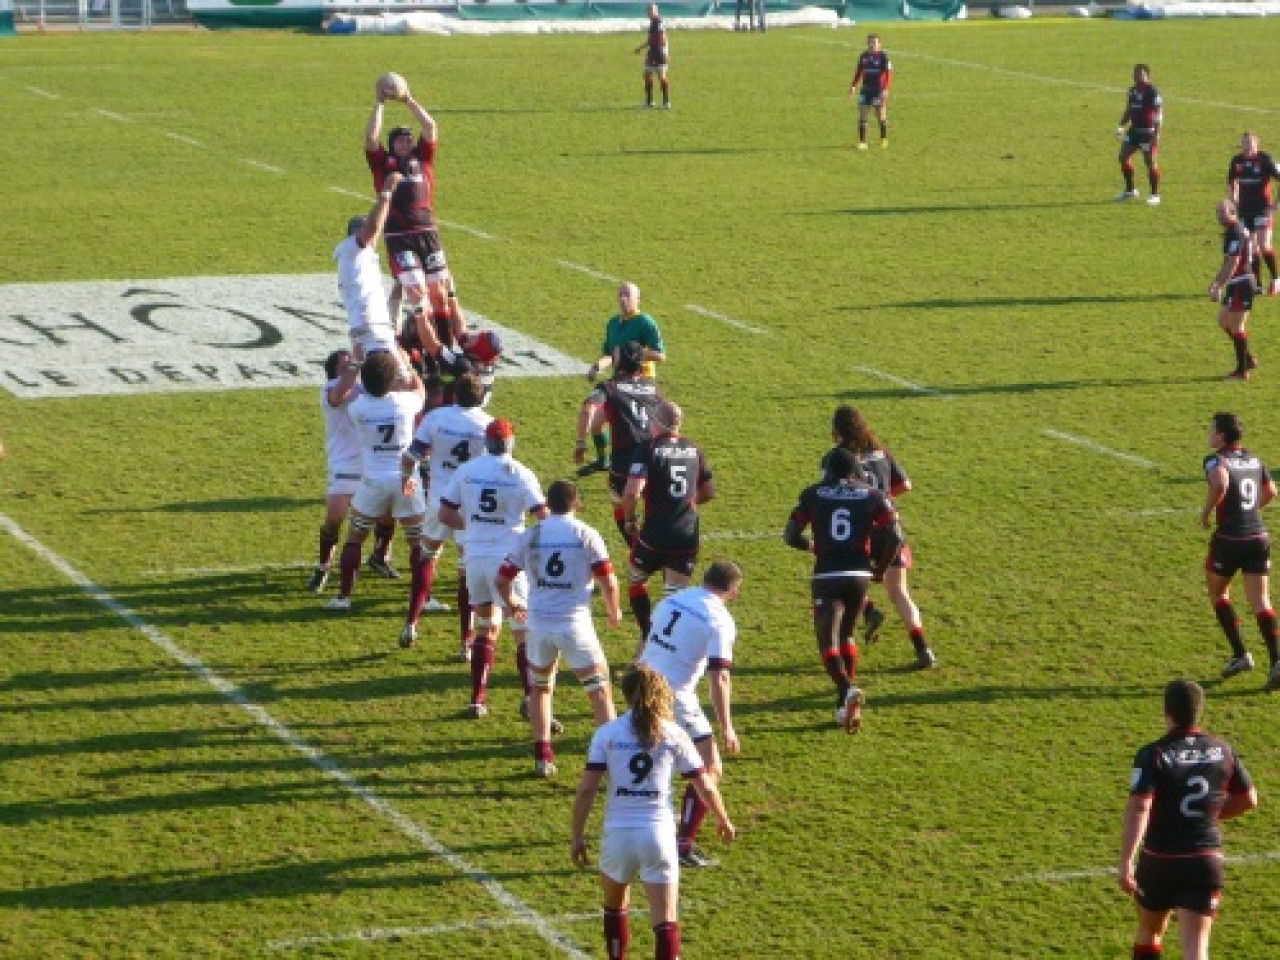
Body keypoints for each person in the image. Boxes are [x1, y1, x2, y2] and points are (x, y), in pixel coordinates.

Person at [572, 664, 735, 960]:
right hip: (658, 835)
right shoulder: (674, 734)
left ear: (626, 695)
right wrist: (723, 818)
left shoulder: (607, 734)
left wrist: (577, 836)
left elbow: (586, 790)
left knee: (614, 906)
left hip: (618, 835)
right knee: (665, 917)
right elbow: (706, 786)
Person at [1118, 679, 1257, 960]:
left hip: (1160, 858)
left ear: (1166, 711)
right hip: (1204, 858)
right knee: (1196, 948)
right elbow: (1248, 799)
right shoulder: (1222, 750)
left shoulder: (1153, 754)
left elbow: (1139, 807)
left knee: (1150, 932)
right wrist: (1208, 815)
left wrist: (1125, 861)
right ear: (1199, 711)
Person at [498, 479, 623, 776]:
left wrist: (512, 602)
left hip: (539, 625)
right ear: (576, 503)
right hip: (574, 624)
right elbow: (608, 579)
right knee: (599, 691)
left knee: (540, 690)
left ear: (547, 505)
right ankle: (614, 759)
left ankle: (543, 756)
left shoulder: (530, 535)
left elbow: (502, 578)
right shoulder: (586, 534)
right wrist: (613, 610)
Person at [784, 448, 903, 733]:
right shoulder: (873, 494)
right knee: (848, 634)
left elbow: (790, 535)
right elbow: (896, 536)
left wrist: (811, 546)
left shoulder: (814, 493)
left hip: (828, 574)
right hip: (860, 574)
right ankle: (842, 705)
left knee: (828, 641)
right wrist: (880, 568)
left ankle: (847, 689)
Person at [438, 418, 548, 718]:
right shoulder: (522, 473)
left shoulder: (467, 470)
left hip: (475, 559)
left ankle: (477, 699)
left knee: (485, 627)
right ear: (511, 443)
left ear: (487, 442)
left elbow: (445, 514)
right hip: (508, 562)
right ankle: (530, 698)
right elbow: (543, 516)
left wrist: (472, 526)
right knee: (522, 630)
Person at [636, 561, 741, 869]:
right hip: (674, 696)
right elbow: (719, 676)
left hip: (642, 684)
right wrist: (727, 728)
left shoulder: (673, 598)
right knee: (709, 766)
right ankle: (682, 845)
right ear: (733, 592)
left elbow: (649, 637)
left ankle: (643, 830)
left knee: (652, 762)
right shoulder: (720, 620)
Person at [826, 405, 936, 669]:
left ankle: (867, 612)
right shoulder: (881, 453)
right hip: (889, 529)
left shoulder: (838, 458)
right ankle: (924, 650)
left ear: (837, 430)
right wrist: (883, 500)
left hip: (859, 529)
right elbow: (905, 485)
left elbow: (829, 492)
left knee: (844, 582)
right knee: (899, 591)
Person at [322, 351, 425, 615]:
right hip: (407, 481)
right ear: (391, 380)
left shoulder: (359, 408)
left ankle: (344, 596)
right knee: (418, 544)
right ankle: (425, 598)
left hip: (373, 480)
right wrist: (408, 365)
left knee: (355, 538)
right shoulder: (405, 404)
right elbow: (419, 390)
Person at [400, 372, 492, 654]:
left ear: (454, 395)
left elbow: (410, 455)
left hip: (440, 499)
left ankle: (412, 622)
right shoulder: (487, 425)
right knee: (466, 572)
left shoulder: (437, 418)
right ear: (482, 397)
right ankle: (466, 641)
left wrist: (406, 478)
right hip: (470, 506)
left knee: (427, 556)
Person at [364, 75, 462, 340]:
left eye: (408, 140)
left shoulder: (423, 159)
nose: (406, 143)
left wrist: (408, 99)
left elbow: (430, 126)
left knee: (439, 292)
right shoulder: (383, 164)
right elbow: (371, 138)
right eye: (400, 141)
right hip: (399, 237)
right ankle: (429, 354)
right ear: (393, 145)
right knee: (417, 292)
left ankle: (446, 346)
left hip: (427, 233)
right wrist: (379, 103)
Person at [621, 400, 715, 654]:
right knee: (674, 598)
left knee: (636, 580)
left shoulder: (647, 449)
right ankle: (667, 649)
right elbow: (709, 491)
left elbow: (631, 493)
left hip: (655, 533)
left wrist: (630, 519)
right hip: (686, 533)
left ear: (656, 423)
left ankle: (646, 635)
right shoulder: (694, 449)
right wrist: (686, 503)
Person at [1200, 412, 1280, 691]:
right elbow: (1271, 491)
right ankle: (1277, 661)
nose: (1210, 435)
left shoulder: (1215, 459)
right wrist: (1249, 510)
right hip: (1258, 536)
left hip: (1229, 539)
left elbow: (1220, 483)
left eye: (1212, 430)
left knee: (1218, 591)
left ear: (1221, 436)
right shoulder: (1255, 459)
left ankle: (1240, 654)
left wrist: (1207, 510)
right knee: (1261, 600)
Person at [308, 348, 397, 594]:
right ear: (336, 369)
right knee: (335, 516)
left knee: (388, 513)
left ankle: (380, 554)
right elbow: (338, 397)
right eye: (346, 363)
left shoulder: (366, 388)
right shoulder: (330, 389)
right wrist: (356, 367)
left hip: (371, 462)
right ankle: (323, 565)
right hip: (344, 463)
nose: (353, 366)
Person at [575, 342, 664, 537]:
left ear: (620, 360)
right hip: (656, 457)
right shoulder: (653, 387)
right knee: (655, 505)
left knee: (621, 505)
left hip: (625, 460)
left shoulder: (610, 387)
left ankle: (638, 551)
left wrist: (581, 443)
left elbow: (588, 409)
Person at [335, 172, 403, 360]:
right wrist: (386, 193)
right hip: (371, 327)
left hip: (370, 326)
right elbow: (372, 230)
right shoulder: (351, 250)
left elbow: (375, 230)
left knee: (388, 380)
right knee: (396, 379)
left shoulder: (361, 256)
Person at [1208, 200, 1258, 381]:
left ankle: (1242, 371)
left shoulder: (1235, 232)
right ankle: (1247, 358)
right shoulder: (1233, 231)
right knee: (1223, 321)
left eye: (1223, 213)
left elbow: (1233, 262)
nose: (1220, 217)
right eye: (1218, 213)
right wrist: (1216, 282)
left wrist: (1219, 286)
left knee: (1237, 327)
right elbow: (1229, 261)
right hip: (1236, 283)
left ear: (1233, 212)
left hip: (1242, 283)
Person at [1227, 131, 1280, 295]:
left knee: (1264, 245)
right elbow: (1231, 182)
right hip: (1244, 211)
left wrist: (1276, 204)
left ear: (1256, 145)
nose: (1247, 147)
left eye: (1250, 143)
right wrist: (1233, 199)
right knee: (1251, 248)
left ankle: (1276, 278)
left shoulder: (1265, 159)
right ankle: (1256, 284)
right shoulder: (1237, 161)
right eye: (1244, 143)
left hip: (1262, 209)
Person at [1117, 64, 1163, 205]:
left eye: (1140, 74)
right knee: (1123, 156)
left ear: (1147, 75)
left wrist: (1157, 133)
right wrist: (1120, 126)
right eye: (1135, 73)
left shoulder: (1153, 91)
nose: (1137, 76)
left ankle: (1155, 195)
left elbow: (1158, 113)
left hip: (1148, 132)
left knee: (1150, 162)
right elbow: (1129, 110)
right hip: (1134, 131)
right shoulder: (1132, 91)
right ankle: (1130, 190)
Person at [848, 34, 892, 151]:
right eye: (870, 42)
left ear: (879, 44)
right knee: (862, 115)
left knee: (880, 116)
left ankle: (883, 139)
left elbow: (888, 74)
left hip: (878, 90)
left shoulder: (884, 56)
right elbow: (859, 72)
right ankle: (862, 142)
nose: (872, 45)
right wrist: (853, 86)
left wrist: (886, 89)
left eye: (874, 43)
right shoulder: (864, 56)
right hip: (866, 89)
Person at [635, 5, 670, 110]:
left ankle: (658, 102)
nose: (649, 12)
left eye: (651, 10)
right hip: (657, 51)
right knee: (649, 75)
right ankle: (659, 102)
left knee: (658, 76)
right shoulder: (657, 22)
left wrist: (662, 50)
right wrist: (641, 47)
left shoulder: (657, 21)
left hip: (657, 52)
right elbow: (653, 39)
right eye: (649, 10)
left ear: (655, 11)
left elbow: (661, 38)